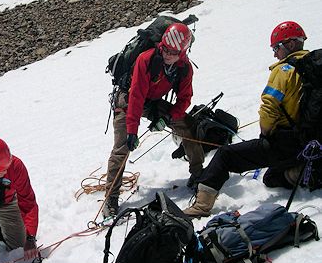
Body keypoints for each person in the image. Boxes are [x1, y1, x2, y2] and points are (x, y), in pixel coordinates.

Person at [183, 21, 309, 217]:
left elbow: (269, 108)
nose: (275, 53)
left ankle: (201, 206)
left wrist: (266, 134)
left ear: (291, 44)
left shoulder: (284, 71)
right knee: (271, 177)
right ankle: (306, 170)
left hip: (287, 142)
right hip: (312, 142)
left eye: (277, 47)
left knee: (225, 155)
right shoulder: (314, 66)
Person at [104, 23, 204, 217]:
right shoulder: (146, 59)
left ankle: (198, 173)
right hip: (128, 100)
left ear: (182, 52)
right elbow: (136, 97)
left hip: (153, 102)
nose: (167, 55)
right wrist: (132, 131)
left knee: (187, 125)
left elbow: (185, 99)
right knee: (122, 147)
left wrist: (168, 116)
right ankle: (111, 196)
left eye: (173, 52)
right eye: (165, 49)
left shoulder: (184, 68)